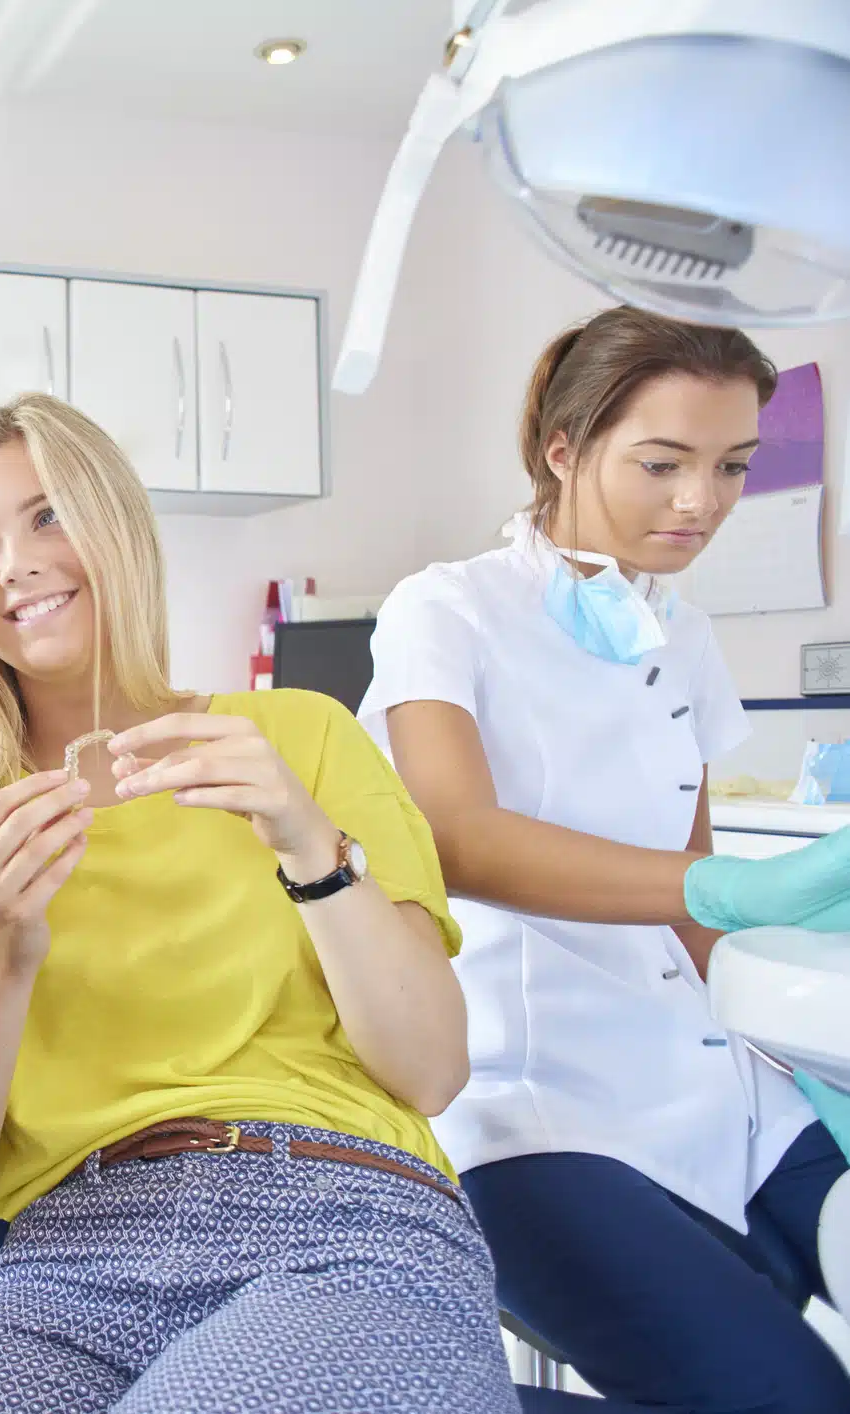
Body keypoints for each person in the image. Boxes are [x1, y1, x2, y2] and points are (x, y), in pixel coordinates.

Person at [0, 392, 520, 1414]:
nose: (11, 563)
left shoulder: (299, 737)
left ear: (116, 524)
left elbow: (428, 1070)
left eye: (47, 515)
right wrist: (2, 956)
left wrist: (307, 844)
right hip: (70, 1255)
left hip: (338, 1214)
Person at [361, 307, 850, 1414]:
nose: (702, 502)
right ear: (563, 449)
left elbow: (695, 897)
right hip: (531, 1100)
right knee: (787, 1397)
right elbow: (448, 834)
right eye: (662, 463)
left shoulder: (680, 630)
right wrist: (719, 887)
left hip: (712, 1079)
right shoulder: (446, 609)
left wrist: (799, 1051)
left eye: (731, 465)